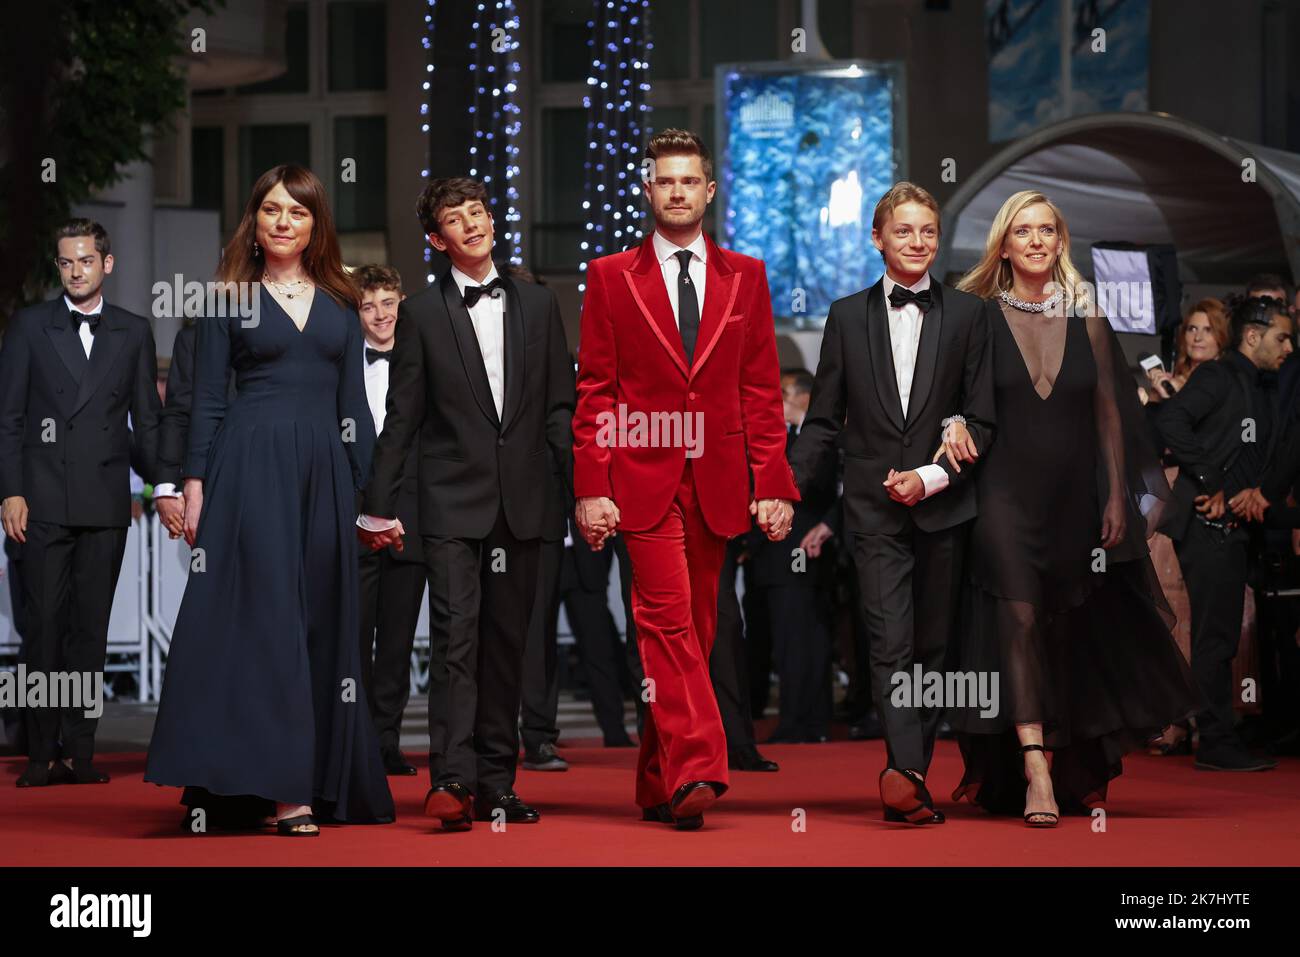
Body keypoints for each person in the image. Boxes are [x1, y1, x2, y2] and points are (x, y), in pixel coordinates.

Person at [145, 165, 394, 836]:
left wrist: (372, 496)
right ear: (254, 222)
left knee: (318, 622)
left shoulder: (342, 304)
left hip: (325, 474)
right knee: (267, 623)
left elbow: (355, 411)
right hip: (247, 469)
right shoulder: (229, 300)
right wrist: (192, 483)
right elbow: (207, 401)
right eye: (272, 210)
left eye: (299, 211)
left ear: (316, 225)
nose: (284, 221)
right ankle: (286, 792)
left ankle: (309, 776)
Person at [948, 189, 1200, 826]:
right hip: (1001, 494)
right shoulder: (975, 315)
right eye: (1023, 231)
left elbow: (1111, 417)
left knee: (1070, 628)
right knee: (1021, 617)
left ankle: (1070, 761)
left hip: (1075, 501)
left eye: (1047, 231)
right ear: (1003, 244)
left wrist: (1117, 494)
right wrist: (952, 420)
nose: (1036, 241)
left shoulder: (1089, 318)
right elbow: (952, 391)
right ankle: (1034, 764)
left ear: (1060, 242)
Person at [572, 128, 797, 830]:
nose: (676, 191)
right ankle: (701, 761)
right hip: (641, 476)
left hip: (722, 480)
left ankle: (656, 779)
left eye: (688, 180)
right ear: (648, 190)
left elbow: (760, 389)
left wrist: (776, 481)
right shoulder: (611, 276)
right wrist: (591, 484)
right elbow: (596, 391)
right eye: (664, 180)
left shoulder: (747, 276)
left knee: (694, 635)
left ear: (708, 189)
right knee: (665, 621)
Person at [358, 176, 574, 832]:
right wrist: (376, 505)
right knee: (456, 638)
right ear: (437, 238)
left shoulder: (539, 304)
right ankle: (450, 777)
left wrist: (585, 493)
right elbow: (402, 417)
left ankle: (497, 783)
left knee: (508, 646)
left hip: (526, 504)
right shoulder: (421, 313)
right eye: (455, 218)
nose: (472, 224)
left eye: (477, 211)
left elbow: (561, 410)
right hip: (449, 503)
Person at [789, 182, 996, 825]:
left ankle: (910, 769)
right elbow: (823, 421)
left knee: (935, 649)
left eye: (927, 231)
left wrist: (932, 476)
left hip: (945, 506)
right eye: (903, 231)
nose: (917, 242)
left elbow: (984, 421)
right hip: (873, 512)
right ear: (877, 238)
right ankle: (903, 773)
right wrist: (781, 489)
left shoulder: (969, 315)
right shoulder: (846, 316)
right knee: (888, 641)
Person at [0, 218, 161, 787]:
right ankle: (41, 754)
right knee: (41, 628)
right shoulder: (29, 325)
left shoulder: (134, 331)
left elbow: (147, 421)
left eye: (85, 261)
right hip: (39, 502)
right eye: (66, 262)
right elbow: (10, 417)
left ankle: (82, 753)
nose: (75, 271)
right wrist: (11, 491)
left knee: (89, 632)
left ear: (106, 264)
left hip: (104, 503)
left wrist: (164, 486)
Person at [1157, 293, 1293, 772]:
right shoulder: (1219, 374)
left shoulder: (1260, 384)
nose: (1289, 347)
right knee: (1215, 639)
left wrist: (1253, 490)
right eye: (1281, 337)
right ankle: (1214, 741)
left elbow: (1258, 447)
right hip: (1204, 523)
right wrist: (1211, 480)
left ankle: (1218, 734)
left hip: (1232, 526)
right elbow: (1170, 419)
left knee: (1223, 637)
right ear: (1253, 336)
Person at [354, 265, 424, 777]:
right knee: (353, 634)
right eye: (368, 305)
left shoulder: (423, 361)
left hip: (411, 514)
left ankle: (386, 742)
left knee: (397, 639)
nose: (380, 315)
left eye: (388, 303)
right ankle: (351, 743)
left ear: (402, 302)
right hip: (353, 515)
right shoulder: (341, 368)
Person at [751, 369, 838, 744]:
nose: (779, 400)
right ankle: (800, 720)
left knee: (805, 640)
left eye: (784, 392)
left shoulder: (820, 439)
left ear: (805, 396)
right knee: (787, 640)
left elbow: (830, 486)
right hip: (773, 556)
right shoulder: (780, 438)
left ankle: (804, 721)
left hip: (804, 552)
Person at [1140, 299, 1228, 405]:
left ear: (1222, 337)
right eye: (1193, 329)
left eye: (1208, 330)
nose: (1198, 337)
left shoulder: (1229, 383)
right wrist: (1155, 395)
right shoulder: (1171, 383)